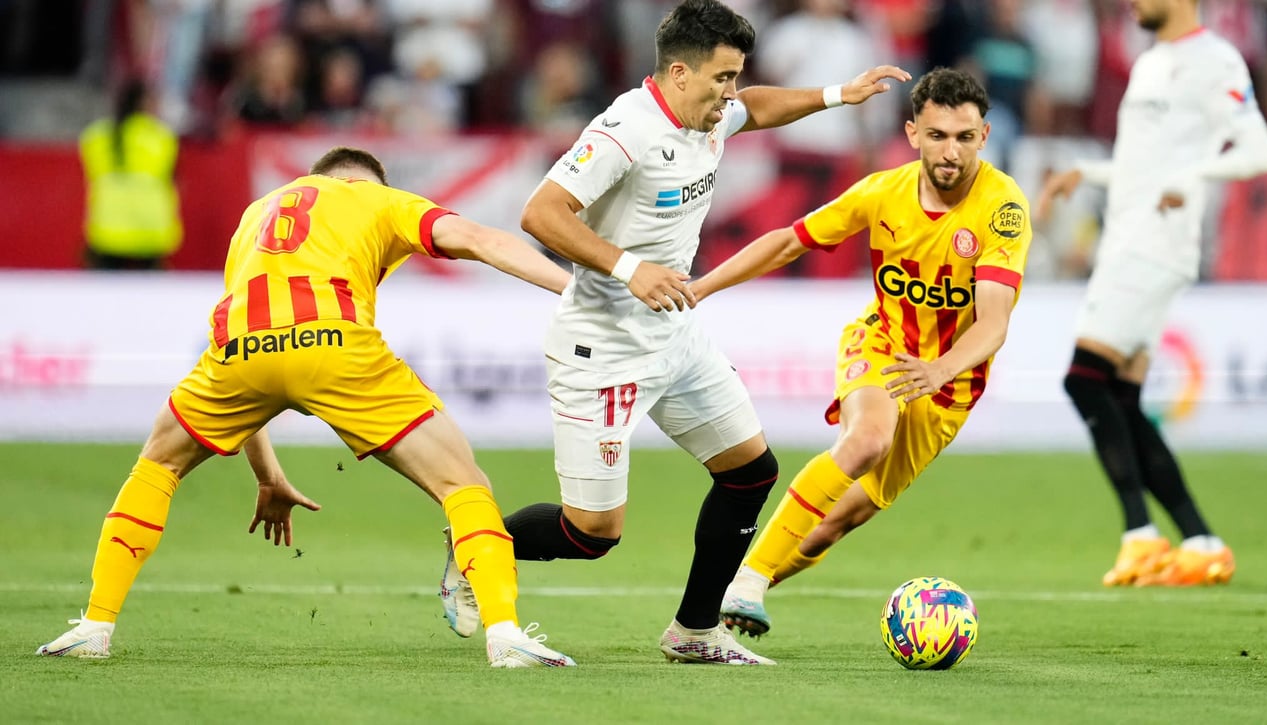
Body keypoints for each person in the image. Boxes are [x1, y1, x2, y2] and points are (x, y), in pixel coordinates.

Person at [438, 0, 909, 665]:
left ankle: (694, 629)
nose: (731, 94)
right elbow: (540, 212)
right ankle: (473, 548)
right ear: (680, 73)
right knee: (593, 532)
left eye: (735, 77)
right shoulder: (625, 130)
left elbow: (763, 106)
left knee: (750, 470)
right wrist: (629, 267)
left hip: (674, 333)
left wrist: (840, 94)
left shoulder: (709, 112)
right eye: (722, 79)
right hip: (601, 343)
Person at [37, 147, 577, 669]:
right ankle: (505, 637)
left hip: (241, 353)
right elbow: (480, 239)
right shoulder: (374, 199)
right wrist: (573, 290)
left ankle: (93, 627)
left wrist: (267, 474)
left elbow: (251, 340)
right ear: (362, 182)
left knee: (157, 465)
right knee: (463, 485)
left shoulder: (254, 217)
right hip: (335, 346)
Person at [696, 67, 1033, 638]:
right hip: (882, 344)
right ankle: (748, 580)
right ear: (911, 134)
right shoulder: (882, 192)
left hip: (947, 385)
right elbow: (788, 242)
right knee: (868, 438)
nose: (951, 152)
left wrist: (940, 369)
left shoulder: (1002, 208)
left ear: (985, 134)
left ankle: (719, 607)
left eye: (965, 137)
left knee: (829, 527)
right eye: (937, 136)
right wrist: (702, 286)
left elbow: (994, 322)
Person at [1036, 0, 1267, 587]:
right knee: (1118, 395)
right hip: (1126, 239)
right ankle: (1200, 540)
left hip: (1158, 244)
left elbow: (1259, 151)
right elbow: (1142, 163)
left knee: (1084, 379)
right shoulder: (1149, 64)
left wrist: (1190, 179)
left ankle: (1141, 536)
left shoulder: (1216, 60)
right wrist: (1085, 175)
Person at [80, 78, 183, 270]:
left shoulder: (97, 136)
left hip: (107, 230)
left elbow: (92, 172)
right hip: (150, 231)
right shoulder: (161, 137)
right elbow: (169, 176)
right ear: (143, 103)